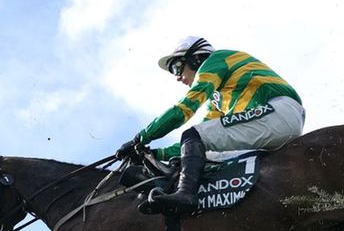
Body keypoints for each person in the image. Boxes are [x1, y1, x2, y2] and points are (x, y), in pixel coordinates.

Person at [119, 36, 305, 215]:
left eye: (177, 67)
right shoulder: (218, 101)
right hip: (274, 121)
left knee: (192, 134)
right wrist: (156, 154)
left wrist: (141, 138)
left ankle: (186, 195)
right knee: (201, 152)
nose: (177, 77)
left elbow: (184, 109)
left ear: (195, 59)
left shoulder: (215, 60)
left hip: (279, 112)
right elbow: (199, 142)